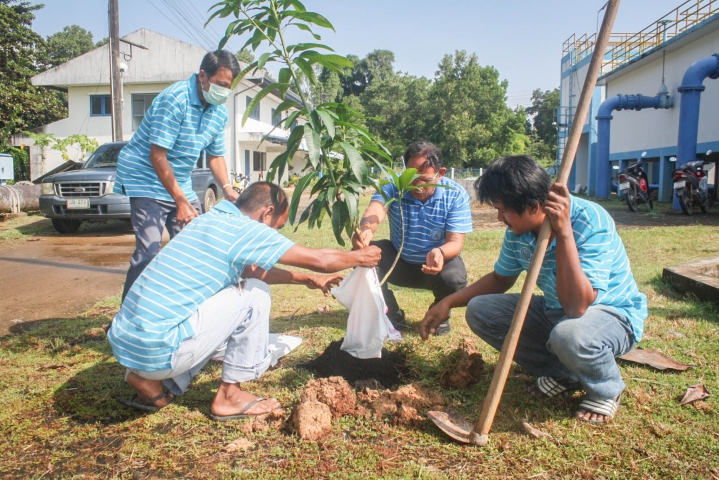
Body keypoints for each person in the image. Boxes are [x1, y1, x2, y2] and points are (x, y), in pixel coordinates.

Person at [108, 182, 381, 420]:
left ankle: (147, 378)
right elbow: (319, 259)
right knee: (255, 294)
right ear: (267, 213)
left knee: (234, 293)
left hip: (128, 343)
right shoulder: (245, 229)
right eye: (278, 226)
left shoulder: (210, 220)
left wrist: (307, 279)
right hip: (158, 351)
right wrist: (360, 257)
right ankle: (230, 396)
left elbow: (249, 270)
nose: (276, 232)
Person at [420, 155, 647, 424]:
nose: (499, 218)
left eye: (502, 210)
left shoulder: (589, 220)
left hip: (611, 316)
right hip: (555, 312)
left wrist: (563, 233)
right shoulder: (518, 232)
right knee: (481, 310)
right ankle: (565, 373)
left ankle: (606, 389)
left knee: (570, 335)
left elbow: (577, 307)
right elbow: (501, 279)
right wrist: (448, 302)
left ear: (533, 206)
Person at [114, 50, 241, 299]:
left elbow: (215, 156)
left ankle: (180, 304)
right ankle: (128, 315)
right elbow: (157, 156)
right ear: (202, 76)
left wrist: (227, 188)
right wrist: (180, 202)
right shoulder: (175, 99)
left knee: (195, 245)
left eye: (228, 87)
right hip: (145, 177)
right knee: (149, 251)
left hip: (179, 179)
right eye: (220, 85)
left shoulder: (219, 112)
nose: (224, 92)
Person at [352, 141, 473, 335]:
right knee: (361, 255)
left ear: (440, 173)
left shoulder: (455, 195)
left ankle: (438, 315)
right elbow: (376, 209)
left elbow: (455, 242)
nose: (416, 185)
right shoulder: (394, 185)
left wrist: (440, 252)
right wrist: (366, 229)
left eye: (424, 180)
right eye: (411, 177)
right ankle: (391, 314)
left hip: (436, 266)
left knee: (454, 279)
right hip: (399, 262)